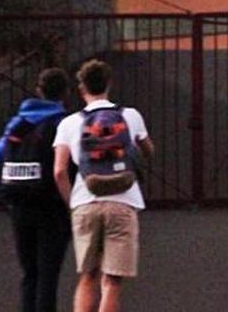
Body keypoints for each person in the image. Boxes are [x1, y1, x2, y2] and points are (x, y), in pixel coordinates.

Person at [53, 59, 154, 312]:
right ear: (109, 84)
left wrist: (72, 204)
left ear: (81, 88)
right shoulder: (130, 115)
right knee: (112, 281)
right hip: (123, 202)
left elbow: (59, 171)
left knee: (88, 276)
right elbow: (148, 150)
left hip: (85, 202)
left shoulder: (69, 123)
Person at [0, 68, 72, 312]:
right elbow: (70, 168)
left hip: (20, 206)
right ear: (65, 93)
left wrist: (8, 201)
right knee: (48, 276)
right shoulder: (64, 124)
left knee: (29, 274)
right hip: (52, 209)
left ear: (38, 90)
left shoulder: (17, 124)